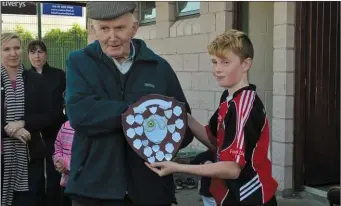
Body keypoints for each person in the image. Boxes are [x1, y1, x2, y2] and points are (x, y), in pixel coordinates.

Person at [64, 2, 193, 206]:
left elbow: (182, 124)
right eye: (104, 29)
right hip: (94, 188)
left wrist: (163, 140)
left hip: (149, 189)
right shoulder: (79, 62)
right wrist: (145, 113)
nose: (112, 37)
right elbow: (80, 114)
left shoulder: (158, 67)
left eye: (119, 28)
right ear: (93, 29)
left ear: (134, 27)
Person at [146, 29, 279, 206]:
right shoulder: (228, 98)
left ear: (246, 64)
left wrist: (176, 167)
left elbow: (232, 169)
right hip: (228, 196)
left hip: (250, 199)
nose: (217, 69)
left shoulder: (244, 106)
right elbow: (213, 140)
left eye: (225, 62)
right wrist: (179, 113)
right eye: (214, 62)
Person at [1, 33, 58, 206]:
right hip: (3, 156)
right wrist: (7, 129)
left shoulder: (35, 80)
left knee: (29, 199)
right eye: (7, 49)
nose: (13, 53)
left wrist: (23, 123)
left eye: (17, 48)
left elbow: (49, 114)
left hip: (30, 154)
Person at [28, 40, 66, 206]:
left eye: (40, 52)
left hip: (55, 131)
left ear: (46, 54)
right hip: (33, 133)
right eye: (33, 52)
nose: (37, 56)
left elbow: (63, 103)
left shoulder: (58, 75)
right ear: (28, 55)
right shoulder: (25, 77)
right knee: (35, 175)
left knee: (55, 172)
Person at [53, 119, 74, 206]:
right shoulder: (66, 126)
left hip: (84, 185)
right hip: (66, 184)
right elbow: (57, 149)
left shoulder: (91, 128)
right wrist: (58, 161)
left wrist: (67, 165)